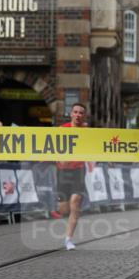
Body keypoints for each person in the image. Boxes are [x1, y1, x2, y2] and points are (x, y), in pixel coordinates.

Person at [55, 102, 89, 251]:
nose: (78, 115)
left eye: (81, 113)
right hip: (63, 171)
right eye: (75, 112)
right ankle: (65, 213)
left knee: (75, 202)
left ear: (84, 116)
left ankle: (68, 239)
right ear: (71, 114)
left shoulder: (87, 132)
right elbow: (52, 148)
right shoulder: (62, 130)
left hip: (78, 170)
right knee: (63, 209)